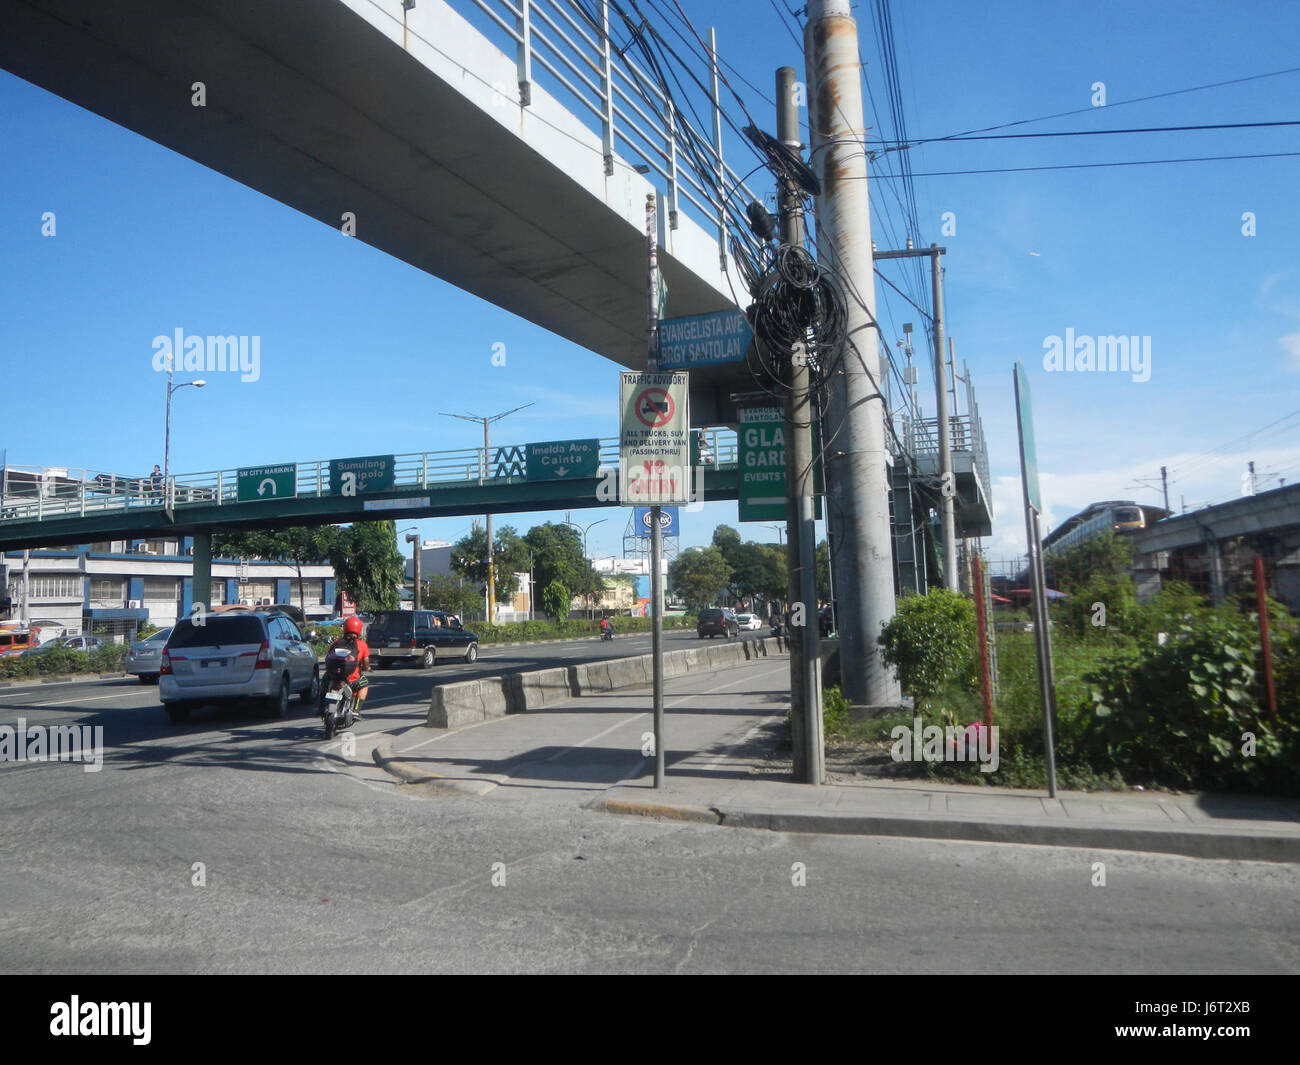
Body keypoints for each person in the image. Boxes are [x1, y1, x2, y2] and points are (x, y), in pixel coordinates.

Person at [325, 615, 371, 719]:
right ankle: (356, 710)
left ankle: (320, 706)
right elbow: (366, 662)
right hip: (352, 680)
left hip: (333, 676)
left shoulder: (337, 642)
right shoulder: (362, 645)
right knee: (364, 684)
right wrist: (366, 668)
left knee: (324, 680)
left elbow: (328, 656)